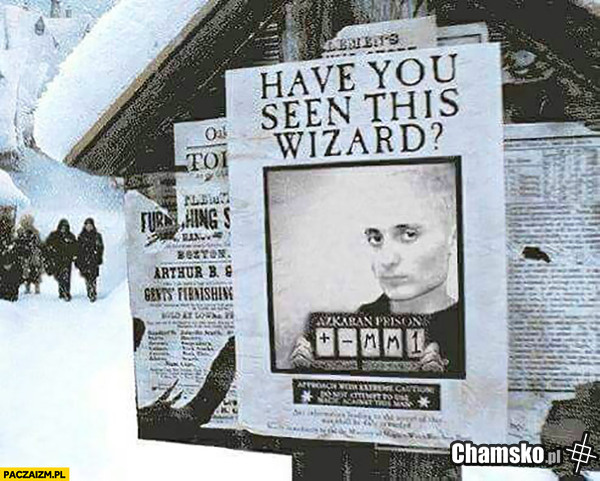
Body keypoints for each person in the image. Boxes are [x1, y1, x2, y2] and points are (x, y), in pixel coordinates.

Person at [290, 163, 463, 375]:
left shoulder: (473, 329)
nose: (387, 259)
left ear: (452, 238)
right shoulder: (351, 327)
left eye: (409, 234)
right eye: (376, 238)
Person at [45, 219, 77, 301]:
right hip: (57, 260)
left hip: (67, 260)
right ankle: (62, 292)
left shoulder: (71, 236)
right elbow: (47, 245)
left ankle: (66, 292)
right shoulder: (54, 235)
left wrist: (74, 255)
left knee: (66, 276)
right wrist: (50, 253)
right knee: (59, 276)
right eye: (62, 227)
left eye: (65, 227)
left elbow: (75, 247)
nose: (63, 229)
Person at [75, 218, 104, 302]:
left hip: (93, 259)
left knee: (93, 276)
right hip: (84, 260)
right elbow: (77, 249)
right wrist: (77, 259)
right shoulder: (81, 236)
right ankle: (89, 290)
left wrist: (99, 257)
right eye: (87, 225)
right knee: (87, 276)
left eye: (90, 225)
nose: (88, 227)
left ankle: (92, 292)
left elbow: (100, 247)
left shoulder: (97, 236)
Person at [15, 214, 44, 294]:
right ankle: (27, 287)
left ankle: (36, 287)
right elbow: (17, 242)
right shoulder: (20, 231)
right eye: (25, 222)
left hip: (33, 254)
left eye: (28, 221)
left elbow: (38, 242)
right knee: (26, 271)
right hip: (25, 254)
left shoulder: (35, 232)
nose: (27, 223)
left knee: (35, 270)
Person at [0, 215, 22, 302]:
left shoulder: (14, 237)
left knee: (11, 279)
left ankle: (10, 294)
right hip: (5, 262)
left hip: (12, 263)